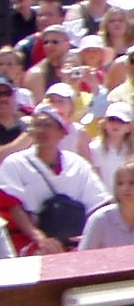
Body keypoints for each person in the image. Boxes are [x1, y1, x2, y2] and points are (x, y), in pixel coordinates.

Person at [0, 103, 109, 254]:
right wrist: (40, 238)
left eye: (48, 125)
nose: (42, 130)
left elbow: (99, 204)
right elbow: (14, 206)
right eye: (37, 125)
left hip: (75, 241)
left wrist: (87, 237)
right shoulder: (15, 163)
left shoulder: (77, 163)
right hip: (31, 241)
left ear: (62, 132)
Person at [77, 161, 134, 249]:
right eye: (120, 184)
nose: (125, 188)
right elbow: (84, 255)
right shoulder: (100, 219)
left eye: (132, 183)